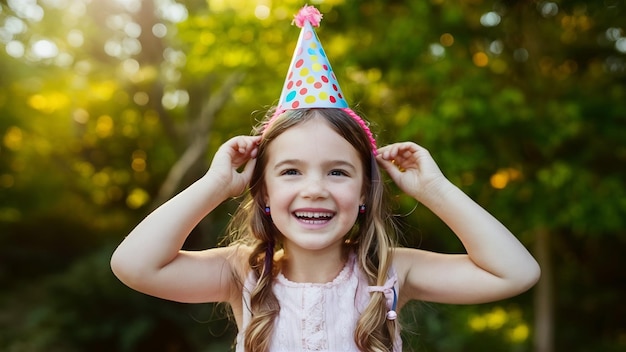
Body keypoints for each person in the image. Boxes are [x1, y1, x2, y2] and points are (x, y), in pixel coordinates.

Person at [110, 6, 540, 352]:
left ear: (364, 191)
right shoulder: (243, 272)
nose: (314, 188)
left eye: (337, 172)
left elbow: (515, 274)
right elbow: (134, 265)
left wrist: (435, 190)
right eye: (291, 171)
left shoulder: (390, 271)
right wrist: (215, 185)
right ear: (263, 190)